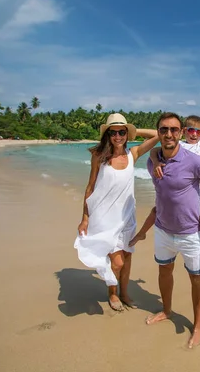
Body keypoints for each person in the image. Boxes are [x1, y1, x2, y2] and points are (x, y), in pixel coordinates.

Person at [129, 112, 200, 348]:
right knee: (164, 272)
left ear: (181, 133)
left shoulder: (195, 162)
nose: (169, 134)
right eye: (164, 130)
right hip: (163, 231)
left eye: (174, 130)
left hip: (191, 234)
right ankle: (166, 310)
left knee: (197, 280)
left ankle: (197, 327)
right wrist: (155, 160)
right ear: (159, 133)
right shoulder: (151, 162)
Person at [133, 95, 200, 281]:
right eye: (191, 130)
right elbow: (155, 144)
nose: (194, 134)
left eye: (198, 131)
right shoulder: (179, 143)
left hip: (197, 192)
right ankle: (141, 234)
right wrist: (152, 156)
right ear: (184, 132)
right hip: (180, 190)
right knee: (156, 211)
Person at [75, 113, 159, 312]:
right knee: (117, 261)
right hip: (104, 216)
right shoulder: (98, 156)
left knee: (127, 256)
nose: (118, 136)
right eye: (114, 132)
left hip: (127, 216)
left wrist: (132, 131)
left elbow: (158, 135)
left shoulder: (133, 154)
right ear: (108, 135)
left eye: (122, 132)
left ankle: (124, 293)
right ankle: (112, 292)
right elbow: (90, 187)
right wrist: (85, 217)